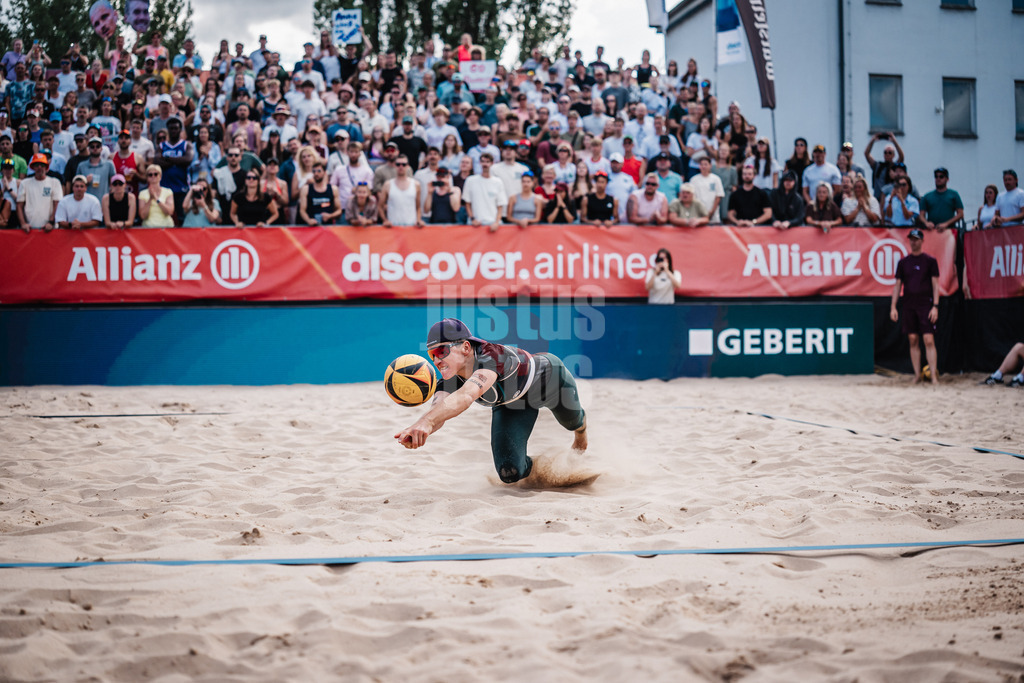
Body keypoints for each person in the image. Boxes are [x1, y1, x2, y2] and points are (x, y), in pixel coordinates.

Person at [395, 318, 588, 485]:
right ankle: (551, 468)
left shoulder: (490, 355)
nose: (436, 361)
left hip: (550, 379)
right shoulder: (449, 380)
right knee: (509, 472)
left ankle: (581, 433)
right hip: (512, 404)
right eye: (432, 355)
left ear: (466, 347)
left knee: (573, 422)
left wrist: (426, 422)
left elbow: (466, 396)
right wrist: (421, 430)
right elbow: (438, 412)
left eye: (441, 351)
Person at [890, 229, 941, 385]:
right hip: (909, 305)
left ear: (922, 241)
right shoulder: (903, 263)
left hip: (925, 304)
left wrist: (936, 306)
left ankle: (933, 376)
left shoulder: (930, 261)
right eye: (911, 239)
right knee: (912, 339)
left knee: (928, 339)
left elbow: (936, 286)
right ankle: (917, 375)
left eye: (916, 239)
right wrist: (893, 306)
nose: (913, 242)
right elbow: (897, 286)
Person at [16, 153, 63, 231]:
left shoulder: (55, 182)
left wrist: (51, 222)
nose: (39, 167)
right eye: (37, 165)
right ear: (33, 167)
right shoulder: (24, 183)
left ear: (46, 167)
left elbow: (57, 204)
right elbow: (19, 205)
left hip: (49, 229)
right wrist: (23, 223)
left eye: (42, 165)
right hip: (30, 229)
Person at [462, 153, 507, 230]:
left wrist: (496, 222)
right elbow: (467, 203)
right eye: (483, 161)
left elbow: (500, 205)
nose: (485, 164)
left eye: (487, 162)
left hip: (492, 224)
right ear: (480, 162)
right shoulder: (470, 180)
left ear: (492, 163)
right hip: (475, 224)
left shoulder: (498, 182)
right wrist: (472, 219)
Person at [920, 167, 964, 232]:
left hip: (949, 231)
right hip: (931, 231)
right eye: (936, 176)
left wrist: (946, 224)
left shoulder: (954, 195)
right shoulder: (927, 196)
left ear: (947, 179)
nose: (938, 179)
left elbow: (960, 214)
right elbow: (921, 215)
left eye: (941, 177)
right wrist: (926, 223)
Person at [298, 160, 341, 225]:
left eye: (319, 171)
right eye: (314, 171)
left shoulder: (333, 189)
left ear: (324, 172)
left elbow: (339, 210)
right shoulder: (306, 189)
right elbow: (302, 210)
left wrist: (330, 216)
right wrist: (308, 220)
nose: (316, 174)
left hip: (328, 226)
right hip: (311, 226)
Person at [864, 132, 905, 200]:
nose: (887, 154)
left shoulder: (895, 166)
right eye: (885, 152)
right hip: (877, 197)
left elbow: (901, 156)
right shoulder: (877, 166)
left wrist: (894, 141)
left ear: (893, 155)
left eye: (890, 152)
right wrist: (872, 141)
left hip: (890, 198)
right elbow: (866, 154)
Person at [690, 155, 724, 223]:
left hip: (713, 215)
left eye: (706, 164)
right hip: (698, 215)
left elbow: (718, 196)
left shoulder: (716, 179)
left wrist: (712, 211)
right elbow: (691, 197)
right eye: (701, 164)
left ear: (710, 165)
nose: (703, 166)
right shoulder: (693, 180)